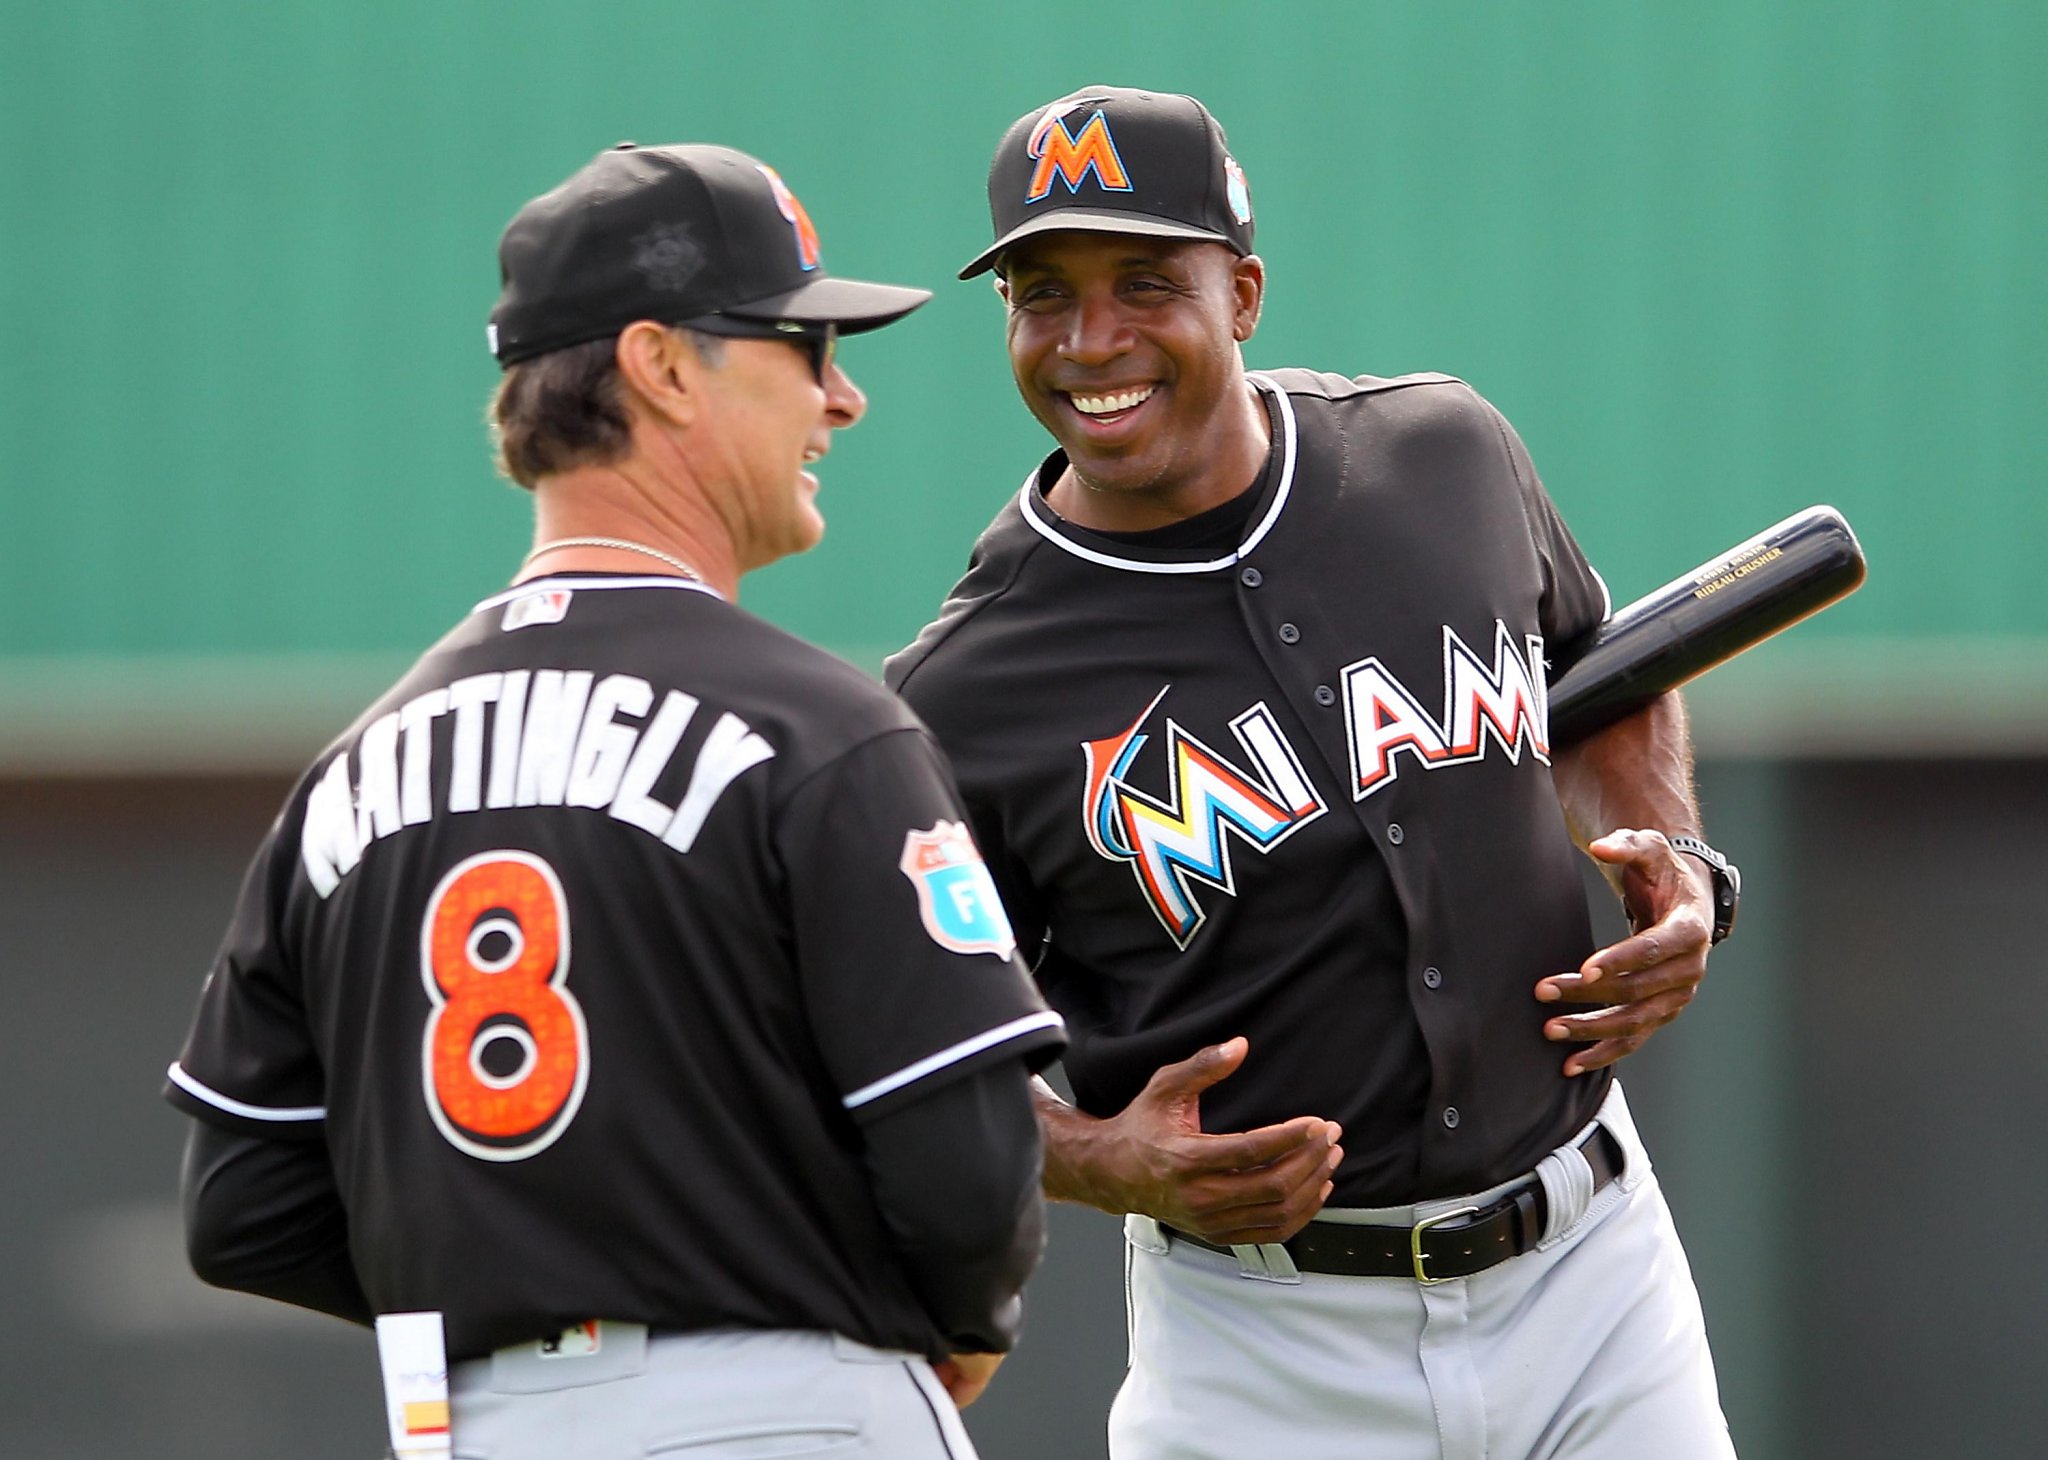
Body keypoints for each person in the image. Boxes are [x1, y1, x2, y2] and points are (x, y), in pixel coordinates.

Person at [163, 141, 1066, 1460]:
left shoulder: (354, 770)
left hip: (472, 1426)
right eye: (803, 346)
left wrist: (514, 1303)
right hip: (782, 1408)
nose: (844, 396)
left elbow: (242, 1205)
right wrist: (937, 1318)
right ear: (657, 365)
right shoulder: (819, 729)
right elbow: (969, 1168)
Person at [886, 87, 1741, 1459]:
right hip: (1264, 1344)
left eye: (1147, 283)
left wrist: (1675, 863)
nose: (1091, 339)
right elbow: (919, 1053)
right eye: (1043, 296)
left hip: (1594, 1273)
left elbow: (1602, 680)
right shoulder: (964, 691)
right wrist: (1102, 1159)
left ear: (1246, 293)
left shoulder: (1444, 453)